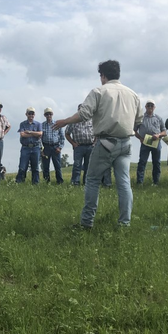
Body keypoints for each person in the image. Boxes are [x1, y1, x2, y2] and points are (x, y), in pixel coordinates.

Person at [55, 60, 143, 229]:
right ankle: (125, 223)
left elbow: (84, 114)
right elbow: (139, 120)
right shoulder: (132, 94)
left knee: (93, 180)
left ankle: (87, 223)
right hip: (126, 143)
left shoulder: (98, 91)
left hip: (105, 142)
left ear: (103, 76)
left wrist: (65, 121)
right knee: (124, 183)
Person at [134, 101, 167, 186]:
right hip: (145, 142)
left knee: (156, 162)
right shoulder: (141, 118)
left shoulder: (158, 118)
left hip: (156, 142)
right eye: (148, 105)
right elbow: (134, 130)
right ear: (145, 106)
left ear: (154, 107)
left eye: (151, 105)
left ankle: (156, 182)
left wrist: (158, 135)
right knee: (142, 162)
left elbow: (164, 132)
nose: (150, 107)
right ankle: (139, 182)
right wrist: (140, 138)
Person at [65, 104, 94, 186]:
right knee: (77, 165)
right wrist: (73, 143)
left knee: (88, 166)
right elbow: (67, 133)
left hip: (90, 146)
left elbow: (97, 133)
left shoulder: (92, 120)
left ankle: (87, 182)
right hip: (79, 147)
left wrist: (94, 142)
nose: (82, 111)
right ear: (78, 111)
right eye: (80, 110)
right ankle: (75, 182)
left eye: (84, 110)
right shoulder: (73, 121)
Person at [16, 107, 42, 184]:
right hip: (25, 147)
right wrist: (34, 134)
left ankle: (35, 183)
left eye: (32, 113)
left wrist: (29, 132)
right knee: (22, 167)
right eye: (29, 113)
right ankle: (20, 182)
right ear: (26, 114)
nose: (31, 115)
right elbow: (22, 134)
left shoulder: (38, 124)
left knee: (35, 167)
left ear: (34, 115)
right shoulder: (22, 124)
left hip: (35, 147)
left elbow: (40, 134)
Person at [41, 107, 65, 184]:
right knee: (45, 166)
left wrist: (60, 147)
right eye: (47, 114)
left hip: (55, 147)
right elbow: (39, 138)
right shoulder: (42, 125)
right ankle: (46, 182)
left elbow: (62, 137)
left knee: (57, 166)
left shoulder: (57, 124)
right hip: (46, 147)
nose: (49, 116)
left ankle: (60, 182)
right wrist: (41, 149)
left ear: (52, 114)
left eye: (50, 114)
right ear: (45, 115)